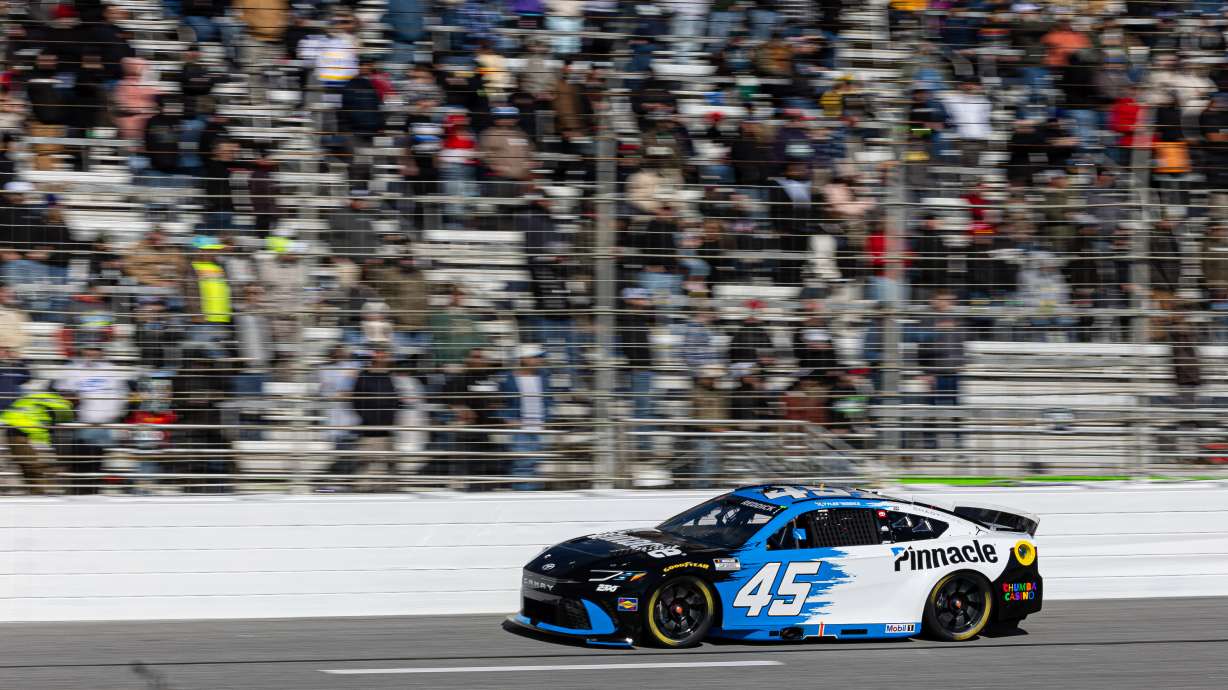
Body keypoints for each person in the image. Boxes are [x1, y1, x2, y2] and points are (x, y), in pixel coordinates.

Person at [55, 344, 136, 494]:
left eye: (96, 349)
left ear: (102, 351)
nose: (92, 352)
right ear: (82, 350)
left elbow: (124, 395)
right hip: (82, 425)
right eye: (89, 348)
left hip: (107, 425)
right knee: (81, 464)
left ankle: (93, 494)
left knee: (99, 463)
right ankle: (79, 494)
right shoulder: (72, 370)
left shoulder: (112, 370)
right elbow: (61, 394)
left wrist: (116, 414)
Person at [497, 344, 553, 489]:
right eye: (536, 357)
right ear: (524, 358)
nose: (540, 360)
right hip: (519, 425)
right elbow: (498, 400)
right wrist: (507, 418)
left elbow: (548, 398)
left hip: (539, 424)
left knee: (535, 459)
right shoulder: (507, 378)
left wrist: (548, 418)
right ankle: (523, 490)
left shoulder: (544, 376)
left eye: (540, 357)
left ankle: (531, 489)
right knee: (522, 460)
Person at [2, 387, 73, 494]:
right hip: (26, 433)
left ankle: (37, 492)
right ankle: (40, 492)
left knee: (28, 466)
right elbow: (67, 416)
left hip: (14, 429)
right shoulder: (58, 401)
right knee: (32, 466)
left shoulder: (34, 396)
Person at [350, 347, 403, 488]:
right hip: (369, 430)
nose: (381, 356)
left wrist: (391, 416)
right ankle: (363, 489)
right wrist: (368, 418)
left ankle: (390, 490)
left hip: (388, 429)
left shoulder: (391, 376)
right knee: (365, 466)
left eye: (384, 353)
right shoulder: (364, 375)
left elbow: (397, 400)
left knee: (390, 468)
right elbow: (356, 401)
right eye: (378, 352)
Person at [687, 364, 727, 487]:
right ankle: (700, 488)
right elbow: (693, 417)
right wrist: (711, 428)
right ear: (701, 379)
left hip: (715, 435)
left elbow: (722, 413)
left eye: (714, 379)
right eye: (710, 378)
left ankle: (707, 487)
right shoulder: (695, 394)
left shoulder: (718, 394)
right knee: (706, 463)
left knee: (713, 463)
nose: (713, 381)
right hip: (702, 435)